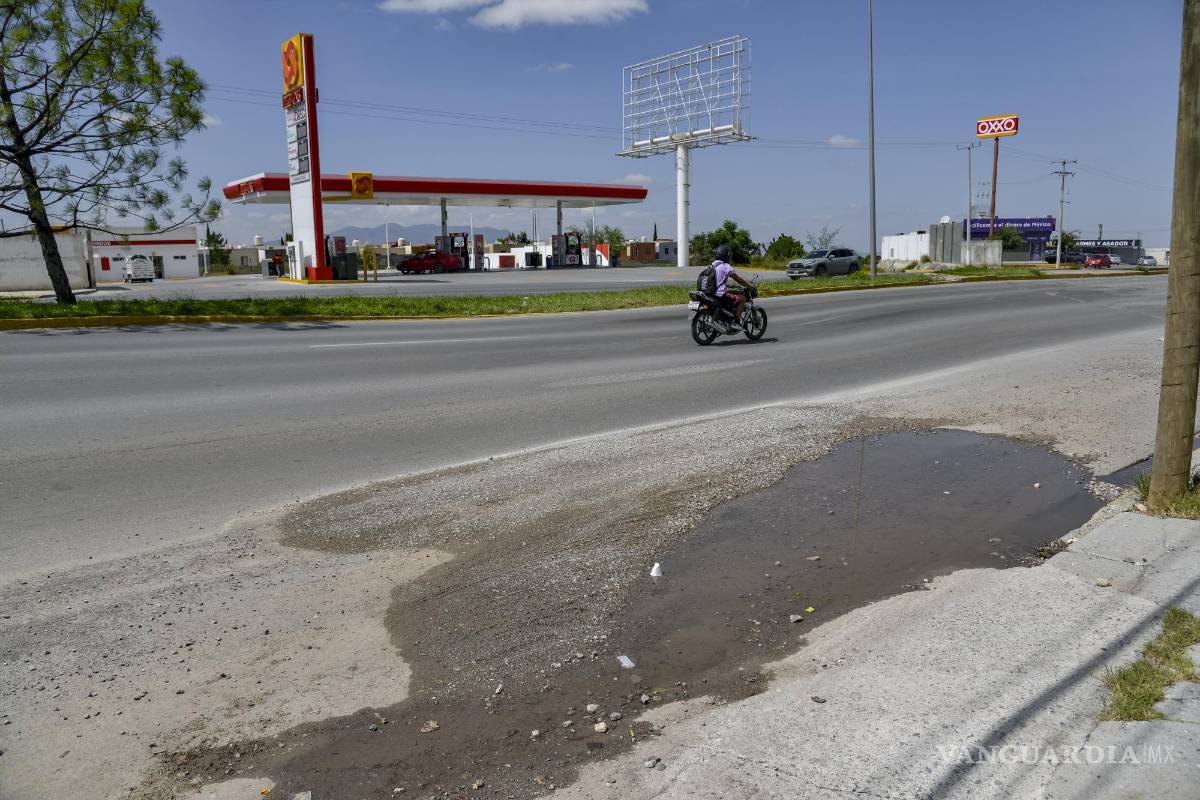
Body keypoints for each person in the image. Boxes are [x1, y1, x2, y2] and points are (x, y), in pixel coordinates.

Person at [712, 244, 751, 330]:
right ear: (726, 255)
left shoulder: (712, 265)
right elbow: (737, 278)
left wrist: (729, 285)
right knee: (742, 298)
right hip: (720, 294)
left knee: (731, 295)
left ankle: (726, 317)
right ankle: (736, 322)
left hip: (711, 293)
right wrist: (748, 285)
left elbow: (718, 280)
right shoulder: (725, 266)